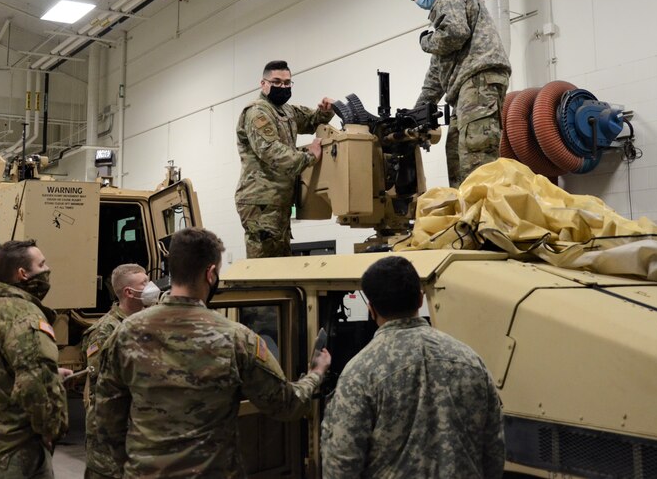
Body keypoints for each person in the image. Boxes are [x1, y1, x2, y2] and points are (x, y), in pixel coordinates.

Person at [95, 227, 331, 478]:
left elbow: (107, 421)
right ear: (210, 273)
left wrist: (133, 467)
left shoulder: (125, 333)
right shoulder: (236, 338)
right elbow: (285, 405)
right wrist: (316, 373)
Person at [321, 256, 504, 478]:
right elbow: (494, 451)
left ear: (371, 310)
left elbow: (340, 466)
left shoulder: (359, 373)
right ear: (420, 299)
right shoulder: (471, 361)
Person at [0, 240, 68, 479]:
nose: (47, 269)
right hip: (14, 455)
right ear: (23, 274)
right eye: (41, 264)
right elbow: (35, 387)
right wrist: (52, 430)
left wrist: (53, 374)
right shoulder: (25, 316)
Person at [403, 0, 511, 188]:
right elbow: (435, 75)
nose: (416, 0)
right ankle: (466, 219)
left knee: (476, 157)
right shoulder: (440, 19)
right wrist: (414, 115)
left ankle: (485, 219)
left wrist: (426, 43)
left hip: (479, 78)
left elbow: (455, 33)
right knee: (455, 155)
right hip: (465, 89)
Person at [235, 60, 336, 258]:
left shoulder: (287, 111)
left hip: (279, 200)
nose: (283, 87)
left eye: (287, 83)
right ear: (263, 83)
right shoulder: (257, 112)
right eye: (277, 82)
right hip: (260, 200)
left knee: (280, 260)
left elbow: (311, 120)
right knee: (264, 266)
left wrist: (325, 111)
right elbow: (271, 151)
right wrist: (309, 157)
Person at [81, 264, 150, 479]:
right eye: (144, 283)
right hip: (108, 433)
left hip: (135, 427)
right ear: (129, 292)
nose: (151, 287)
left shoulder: (144, 322)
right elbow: (100, 385)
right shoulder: (105, 330)